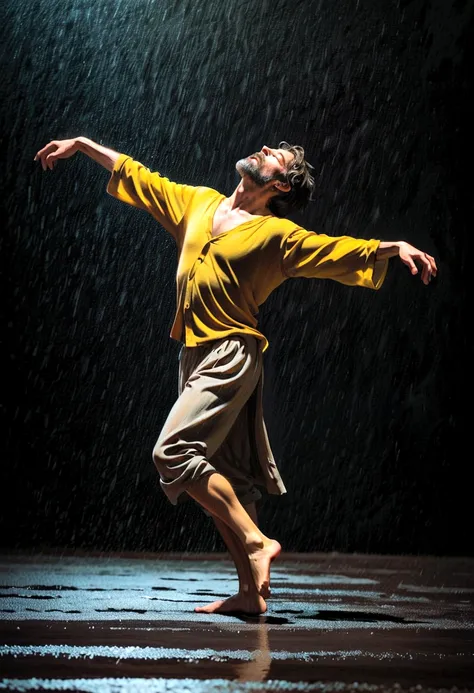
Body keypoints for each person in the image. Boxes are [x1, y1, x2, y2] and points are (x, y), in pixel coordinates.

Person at [34, 137, 438, 615]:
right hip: (193, 354)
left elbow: (334, 251)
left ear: (280, 185)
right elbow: (139, 176)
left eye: (275, 157)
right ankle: (251, 595)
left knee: (173, 453)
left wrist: (392, 247)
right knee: (231, 479)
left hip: (232, 354)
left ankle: (255, 542)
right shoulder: (199, 203)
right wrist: (81, 145)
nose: (264, 148)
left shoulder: (275, 234)